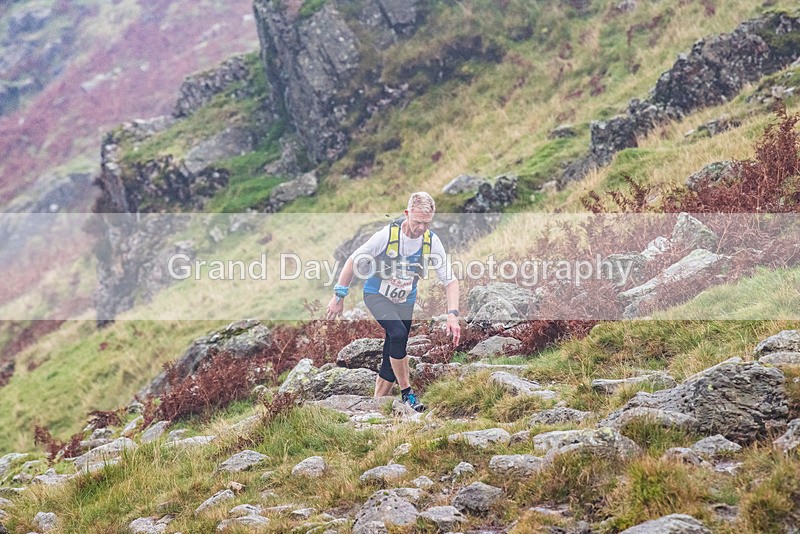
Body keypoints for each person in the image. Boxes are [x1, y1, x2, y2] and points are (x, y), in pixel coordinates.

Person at [325, 192, 461, 412]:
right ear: (407, 214)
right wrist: (339, 296)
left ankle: (377, 405)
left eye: (427, 223)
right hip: (376, 295)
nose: (421, 228)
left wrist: (452, 314)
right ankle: (407, 393)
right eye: (417, 222)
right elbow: (353, 260)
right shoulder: (387, 235)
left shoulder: (431, 241)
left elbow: (450, 280)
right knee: (398, 335)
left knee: (393, 350)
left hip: (405, 301)